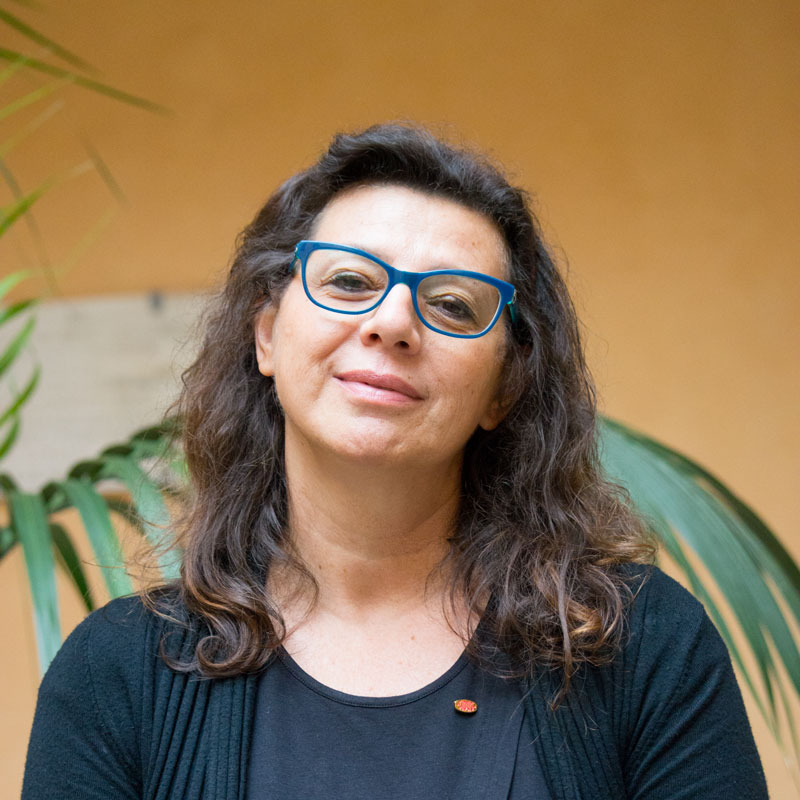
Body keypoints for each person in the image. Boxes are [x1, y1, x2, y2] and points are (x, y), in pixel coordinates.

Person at [22, 123, 768, 799]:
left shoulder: (642, 646)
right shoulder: (115, 674)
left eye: (452, 304)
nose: (392, 322)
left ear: (503, 388)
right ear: (268, 335)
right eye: (349, 282)